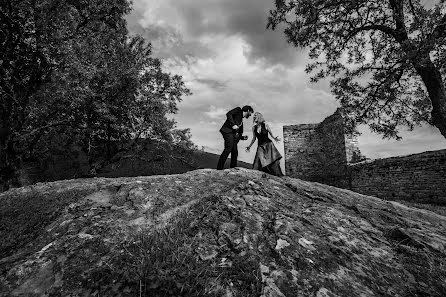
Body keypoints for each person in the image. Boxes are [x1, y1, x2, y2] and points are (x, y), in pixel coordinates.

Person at [245, 112, 283, 176]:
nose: (254, 117)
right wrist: (249, 146)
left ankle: (276, 174)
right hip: (260, 146)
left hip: (268, 144)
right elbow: (254, 138)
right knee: (258, 161)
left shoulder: (265, 125)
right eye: (254, 116)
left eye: (255, 115)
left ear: (259, 117)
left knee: (273, 161)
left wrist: (274, 138)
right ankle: (256, 175)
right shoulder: (254, 128)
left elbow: (270, 133)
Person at [217, 105, 254, 170]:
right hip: (227, 131)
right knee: (228, 148)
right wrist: (233, 125)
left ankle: (233, 168)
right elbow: (229, 114)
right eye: (250, 113)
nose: (250, 115)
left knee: (235, 151)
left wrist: (242, 137)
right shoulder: (238, 110)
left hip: (232, 135)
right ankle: (219, 168)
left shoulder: (241, 121)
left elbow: (238, 133)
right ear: (248, 110)